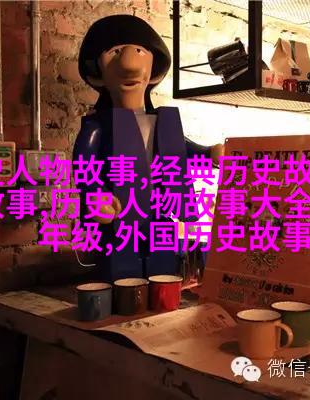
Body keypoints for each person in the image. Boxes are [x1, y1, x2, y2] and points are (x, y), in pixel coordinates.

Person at [73, 15, 222, 282]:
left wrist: (208, 153)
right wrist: (95, 194)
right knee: (121, 269)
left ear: (154, 69)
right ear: (97, 71)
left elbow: (181, 150)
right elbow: (84, 165)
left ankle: (161, 294)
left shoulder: (162, 122)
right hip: (118, 213)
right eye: (115, 52)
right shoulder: (97, 126)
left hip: (161, 210)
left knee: (163, 270)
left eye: (140, 51)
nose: (129, 63)